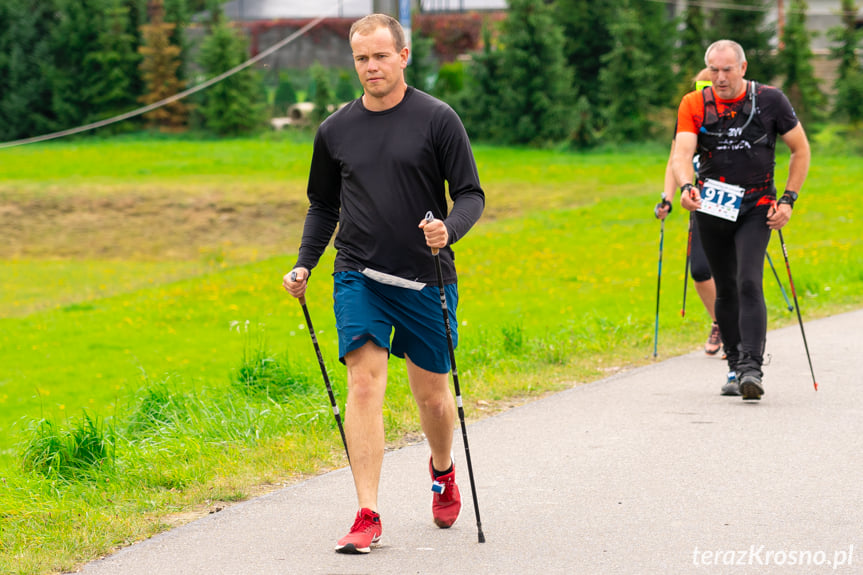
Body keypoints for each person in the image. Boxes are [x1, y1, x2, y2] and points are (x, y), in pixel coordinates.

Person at [282, 14, 484, 554]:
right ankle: (367, 511)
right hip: (358, 273)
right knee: (365, 384)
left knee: (433, 398)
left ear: (403, 55)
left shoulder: (438, 119)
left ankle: (442, 470)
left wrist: (449, 229)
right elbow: (323, 205)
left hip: (425, 278)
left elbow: (470, 195)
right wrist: (305, 263)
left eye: (380, 56)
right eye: (361, 58)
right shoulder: (336, 129)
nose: (371, 67)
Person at [672, 39, 810, 400]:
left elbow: (800, 150)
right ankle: (734, 364)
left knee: (749, 280)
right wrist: (687, 186)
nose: (719, 78)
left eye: (727, 70)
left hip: (757, 205)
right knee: (726, 286)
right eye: (714, 70)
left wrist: (788, 200)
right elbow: (682, 153)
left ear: (743, 68)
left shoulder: (770, 100)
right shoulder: (694, 104)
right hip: (713, 205)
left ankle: (752, 368)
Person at [655, 68, 723, 361]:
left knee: (735, 270)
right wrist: (667, 199)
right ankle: (720, 321)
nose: (704, 94)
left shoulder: (737, 114)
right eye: (700, 87)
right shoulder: (689, 114)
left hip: (737, 202)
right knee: (700, 271)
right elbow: (676, 160)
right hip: (700, 202)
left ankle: (741, 330)